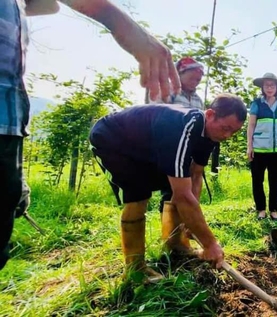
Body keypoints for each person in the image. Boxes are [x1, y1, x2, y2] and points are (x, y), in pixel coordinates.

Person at [1, 0, 180, 271]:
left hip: (9, 120)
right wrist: (122, 23)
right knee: (138, 194)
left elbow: (46, 6)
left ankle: (162, 251)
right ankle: (136, 267)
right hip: (121, 142)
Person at [89, 94, 247, 282]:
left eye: (233, 133)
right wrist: (210, 243)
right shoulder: (183, 127)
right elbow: (183, 196)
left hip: (145, 147)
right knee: (137, 193)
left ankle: (175, 245)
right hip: (112, 139)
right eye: (226, 128)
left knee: (178, 180)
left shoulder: (210, 136)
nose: (227, 136)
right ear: (211, 114)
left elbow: (195, 174)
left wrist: (192, 223)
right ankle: (135, 269)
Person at [155, 57, 205, 214]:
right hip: (170, 150)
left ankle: (185, 225)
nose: (195, 82)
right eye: (192, 78)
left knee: (188, 188)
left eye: (198, 80)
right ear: (179, 75)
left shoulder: (198, 100)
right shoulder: (168, 92)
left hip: (189, 151)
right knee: (171, 190)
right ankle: (171, 231)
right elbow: (156, 118)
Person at [246, 73, 277, 221]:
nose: (269, 88)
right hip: (259, 148)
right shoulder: (256, 104)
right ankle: (261, 209)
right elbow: (251, 125)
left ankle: (274, 210)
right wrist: (249, 146)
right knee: (257, 179)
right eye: (266, 85)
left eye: (272, 85)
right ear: (262, 87)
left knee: (275, 181)